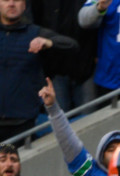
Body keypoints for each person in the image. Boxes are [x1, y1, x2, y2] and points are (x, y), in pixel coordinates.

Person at [0, 0, 77, 141]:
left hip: (22, 122)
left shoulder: (35, 33)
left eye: (16, 0)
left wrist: (48, 43)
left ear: (24, 5)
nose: (11, 4)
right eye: (6, 0)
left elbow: (72, 46)